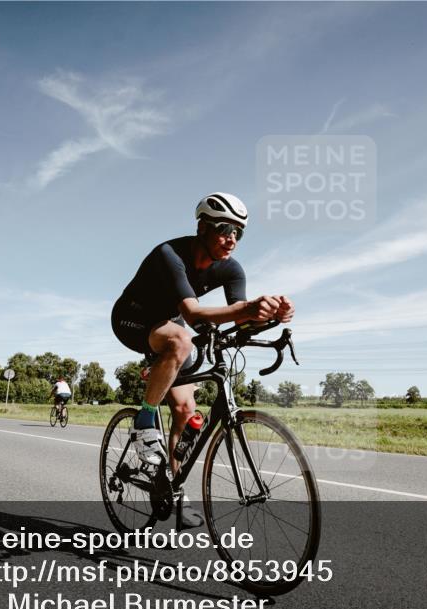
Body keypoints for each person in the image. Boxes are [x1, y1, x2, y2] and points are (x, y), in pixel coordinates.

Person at [111, 192, 294, 528]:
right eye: (225, 228)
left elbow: (240, 317)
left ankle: (173, 492)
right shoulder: (170, 254)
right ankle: (144, 420)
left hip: (169, 322)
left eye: (239, 232)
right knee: (182, 339)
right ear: (202, 227)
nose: (232, 239)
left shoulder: (231, 269)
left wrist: (272, 316)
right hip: (132, 318)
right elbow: (194, 314)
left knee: (185, 409)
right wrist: (245, 310)